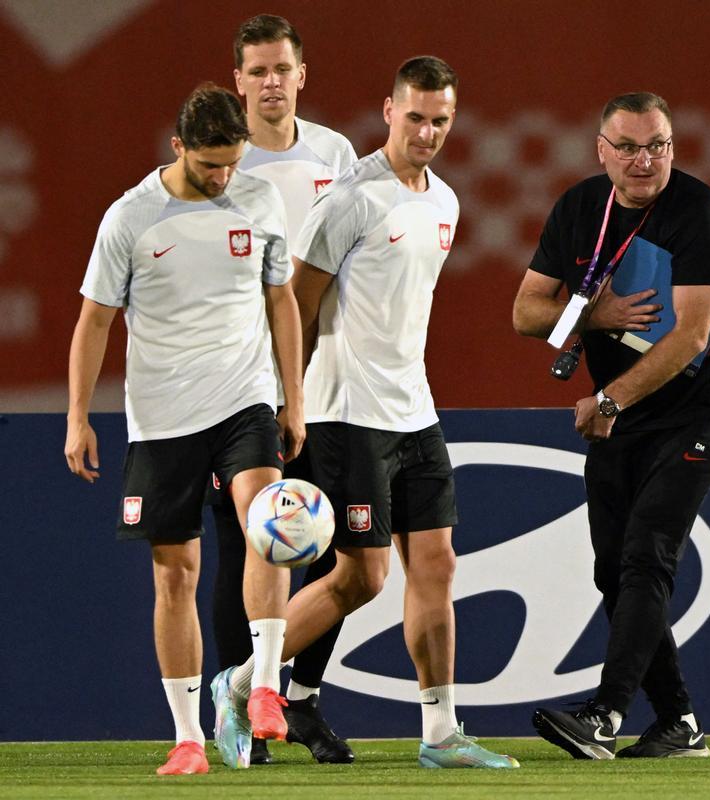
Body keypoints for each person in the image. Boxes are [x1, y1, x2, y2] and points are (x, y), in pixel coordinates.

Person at [211, 55, 518, 770]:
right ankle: (242, 683)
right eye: (415, 117)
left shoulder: (446, 202)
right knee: (363, 578)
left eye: (441, 120)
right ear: (388, 111)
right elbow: (300, 306)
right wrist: (291, 406)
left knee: (437, 565)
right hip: (347, 414)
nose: (427, 132)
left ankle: (441, 733)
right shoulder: (351, 198)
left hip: (417, 412)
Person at [64, 83, 304, 775]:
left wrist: (293, 399)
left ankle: (262, 687)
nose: (223, 177)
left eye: (231, 163)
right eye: (208, 165)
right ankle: (189, 738)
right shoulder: (131, 218)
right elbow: (95, 321)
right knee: (177, 576)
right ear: (178, 149)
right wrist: (79, 416)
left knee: (268, 522)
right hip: (164, 414)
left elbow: (280, 297)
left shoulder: (260, 202)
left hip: (244, 397)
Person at [514, 92, 710, 759]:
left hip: (698, 408)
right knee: (614, 570)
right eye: (630, 147)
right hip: (625, 414)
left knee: (648, 553)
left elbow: (694, 336)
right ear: (601, 150)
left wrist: (609, 400)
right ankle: (679, 722)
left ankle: (605, 716)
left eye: (660, 145)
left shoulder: (698, 212)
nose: (646, 160)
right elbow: (528, 312)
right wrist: (594, 316)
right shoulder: (581, 208)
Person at [207, 13, 358, 766]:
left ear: (303, 75)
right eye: (258, 70)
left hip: (329, 384)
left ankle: (298, 699)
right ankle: (234, 707)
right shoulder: (219, 165)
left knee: (331, 550)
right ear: (238, 81)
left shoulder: (336, 154)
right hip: (243, 388)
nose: (272, 82)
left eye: (283, 69)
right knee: (248, 545)